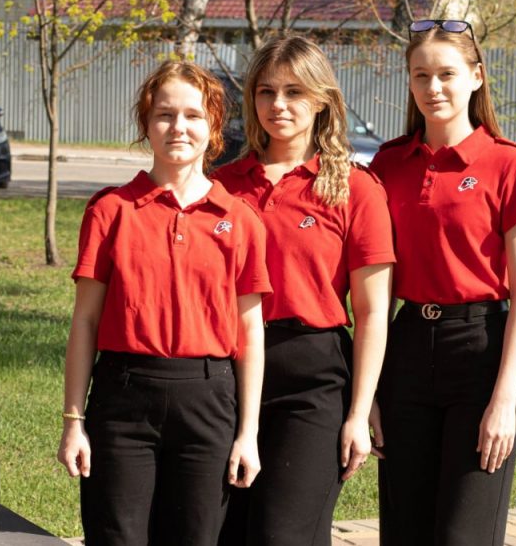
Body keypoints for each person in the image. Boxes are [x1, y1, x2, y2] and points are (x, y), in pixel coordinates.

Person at [57, 60, 270, 546]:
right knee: (116, 536)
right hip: (124, 398)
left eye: (193, 115)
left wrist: (248, 433)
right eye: (164, 115)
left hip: (208, 402)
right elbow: (85, 321)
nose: (178, 127)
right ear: (146, 124)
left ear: (214, 125)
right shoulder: (110, 211)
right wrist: (73, 421)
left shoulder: (240, 219)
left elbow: (251, 331)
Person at [368, 19, 516, 545]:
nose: (433, 87)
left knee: (462, 535)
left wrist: (503, 401)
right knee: (405, 531)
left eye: (447, 74)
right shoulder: (388, 164)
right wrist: (369, 391)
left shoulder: (509, 163)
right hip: (406, 350)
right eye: (420, 75)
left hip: (479, 352)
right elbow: (376, 290)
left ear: (476, 77)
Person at [213, 35, 395, 545]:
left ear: (321, 100)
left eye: (294, 92)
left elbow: (373, 311)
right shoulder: (221, 185)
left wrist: (359, 411)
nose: (279, 104)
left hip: (311, 380)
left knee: (283, 533)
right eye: (266, 91)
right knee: (226, 532)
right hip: (226, 371)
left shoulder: (355, 189)